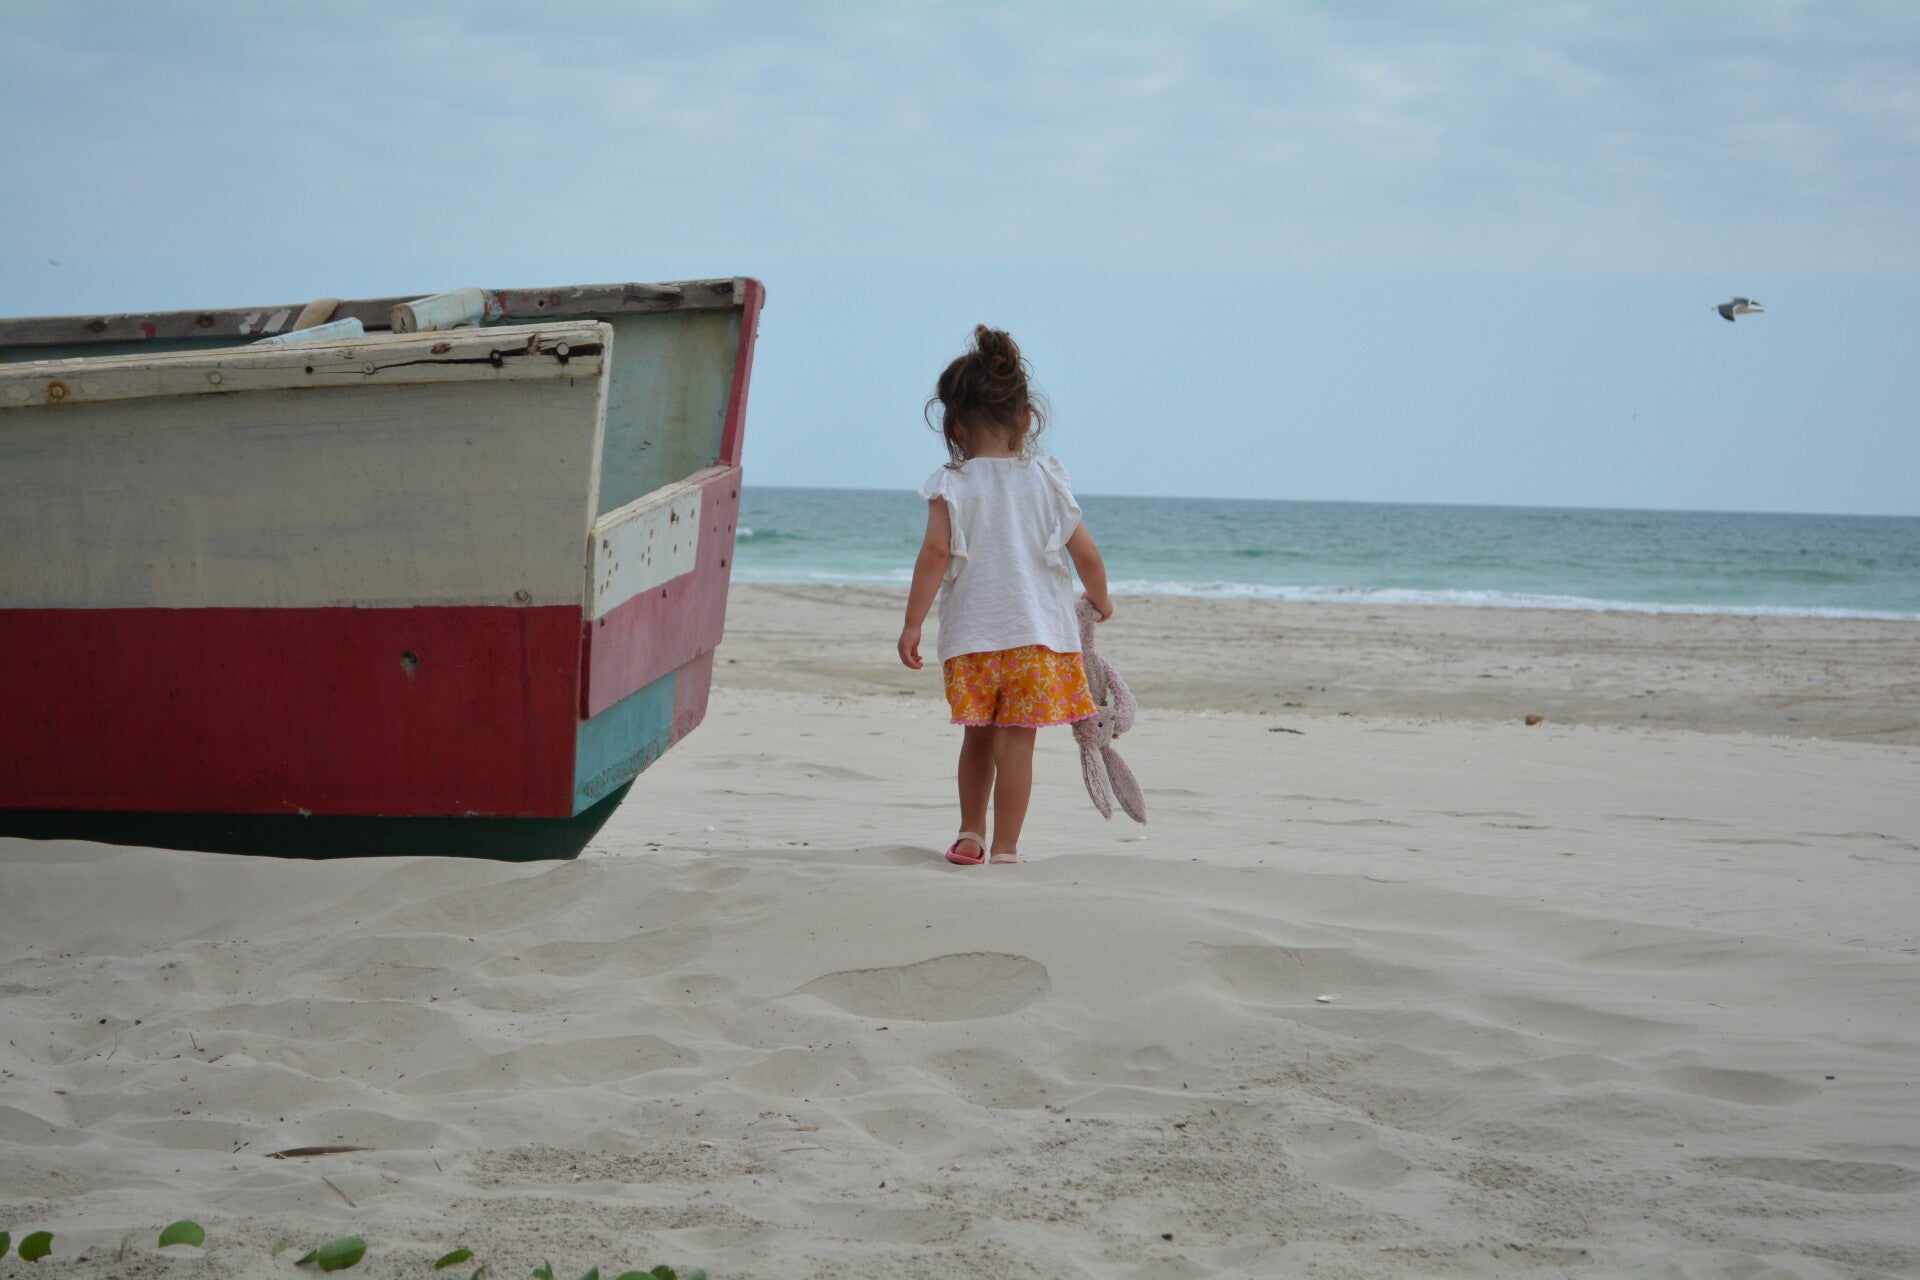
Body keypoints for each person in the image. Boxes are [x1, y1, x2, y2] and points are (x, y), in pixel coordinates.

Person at [897, 325, 1114, 866]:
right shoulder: (1048, 480)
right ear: (1027, 419)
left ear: (953, 426)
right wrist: (1100, 599)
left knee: (977, 737)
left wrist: (913, 623)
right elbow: (1085, 553)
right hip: (1037, 641)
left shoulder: (950, 485)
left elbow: (934, 555)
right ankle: (1008, 850)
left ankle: (970, 835)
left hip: (973, 641)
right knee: (1017, 744)